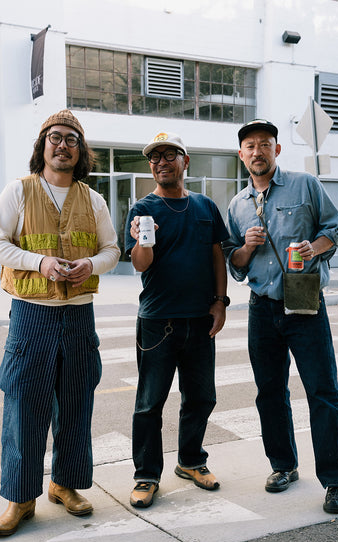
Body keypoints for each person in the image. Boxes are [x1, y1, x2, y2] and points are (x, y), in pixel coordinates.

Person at [0, 109, 121, 536]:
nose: (63, 146)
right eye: (55, 138)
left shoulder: (93, 199)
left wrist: (90, 264)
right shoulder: (19, 191)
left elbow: (112, 250)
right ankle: (20, 499)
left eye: (72, 140)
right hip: (32, 314)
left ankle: (65, 485)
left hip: (79, 315)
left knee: (77, 403)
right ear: (42, 146)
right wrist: (38, 261)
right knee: (25, 406)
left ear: (81, 152)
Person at [223, 119, 338, 514]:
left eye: (265, 144)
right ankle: (283, 465)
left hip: (305, 305)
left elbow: (335, 229)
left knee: (323, 392)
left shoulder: (305, 185)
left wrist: (314, 248)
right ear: (241, 155)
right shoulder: (237, 205)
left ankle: (335, 482)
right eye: (250, 146)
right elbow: (235, 263)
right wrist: (245, 247)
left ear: (276, 150)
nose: (257, 151)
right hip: (262, 308)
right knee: (269, 393)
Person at [124, 132, 229, 508]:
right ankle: (146, 475)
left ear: (186, 162)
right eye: (155, 157)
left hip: (201, 320)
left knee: (201, 397)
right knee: (150, 403)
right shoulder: (142, 210)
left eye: (170, 155)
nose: (161, 162)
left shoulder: (205, 207)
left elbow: (217, 256)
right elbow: (139, 265)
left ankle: (190, 461)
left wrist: (220, 302)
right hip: (158, 322)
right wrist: (142, 242)